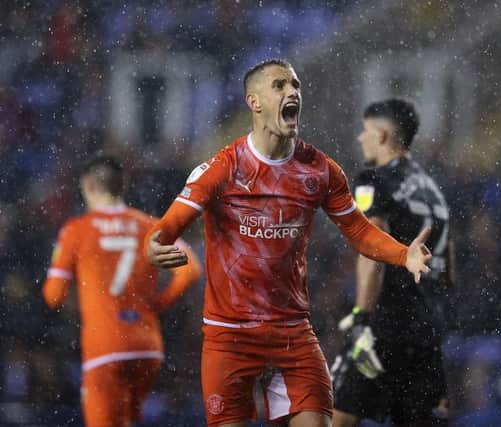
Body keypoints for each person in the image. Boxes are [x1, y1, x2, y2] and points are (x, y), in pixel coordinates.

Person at [145, 59, 433, 427]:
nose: (292, 92)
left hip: (292, 335)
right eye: (280, 86)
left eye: (295, 85)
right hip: (230, 337)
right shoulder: (221, 169)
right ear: (254, 101)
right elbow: (163, 232)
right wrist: (153, 250)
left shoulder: (320, 171)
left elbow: (359, 231)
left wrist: (402, 253)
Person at [42, 155, 203, 427]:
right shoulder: (148, 225)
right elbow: (191, 270)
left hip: (104, 346)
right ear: (122, 186)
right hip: (147, 345)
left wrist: (80, 299)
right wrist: (159, 303)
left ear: (89, 186)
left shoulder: (76, 230)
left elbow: (53, 296)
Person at [330, 99, 453, 427]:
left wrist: (361, 318)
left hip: (385, 321)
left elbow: (372, 249)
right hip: (426, 327)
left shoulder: (374, 179)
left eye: (366, 131)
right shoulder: (432, 189)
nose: (360, 138)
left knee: (333, 414)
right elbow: (447, 264)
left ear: (382, 135)